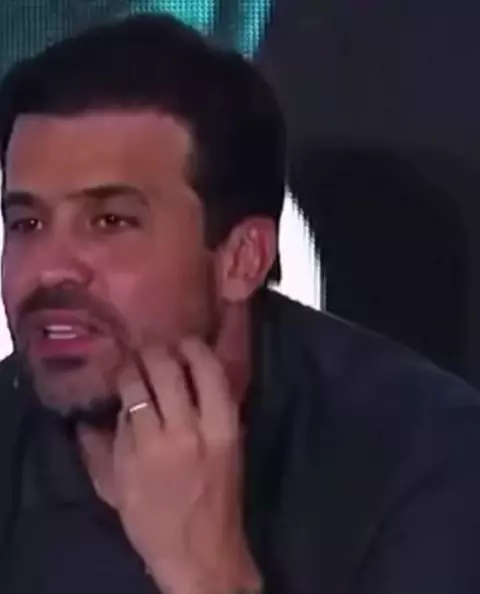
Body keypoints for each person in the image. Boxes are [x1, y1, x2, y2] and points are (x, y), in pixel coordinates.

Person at [0, 13, 480, 594]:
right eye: (26, 223)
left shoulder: (424, 459)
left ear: (242, 260)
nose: (48, 268)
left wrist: (208, 576)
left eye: (110, 221)